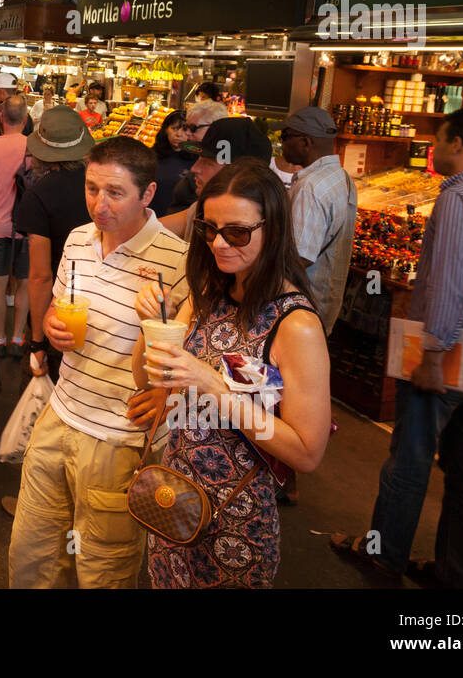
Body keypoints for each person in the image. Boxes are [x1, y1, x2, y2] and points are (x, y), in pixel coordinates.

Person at [331, 107, 463, 588]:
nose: (433, 148)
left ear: (456, 142)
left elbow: (447, 282)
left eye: (437, 139)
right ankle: (459, 575)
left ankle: (384, 557)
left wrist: (433, 354)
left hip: (451, 351)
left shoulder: (458, 200)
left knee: (410, 459)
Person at [134, 158, 332, 588]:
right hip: (173, 501)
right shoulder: (209, 292)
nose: (219, 243)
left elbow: (306, 452)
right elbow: (149, 383)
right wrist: (149, 325)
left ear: (272, 228)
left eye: (237, 232)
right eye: (210, 229)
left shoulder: (295, 325)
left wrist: (214, 387)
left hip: (236, 518)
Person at [8, 137, 190, 588]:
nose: (99, 204)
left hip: (118, 438)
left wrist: (167, 397)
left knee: (103, 570)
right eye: (92, 189)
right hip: (61, 414)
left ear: (147, 194)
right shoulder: (78, 239)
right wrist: (50, 327)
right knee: (32, 553)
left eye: (115, 192)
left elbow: (187, 360)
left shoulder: (178, 262)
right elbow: (57, 306)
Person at [16, 106, 94, 385]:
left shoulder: (38, 196)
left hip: (61, 313)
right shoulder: (100, 186)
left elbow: (40, 276)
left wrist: (37, 343)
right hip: (104, 304)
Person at [276, 106, 357, 335]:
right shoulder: (341, 177)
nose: (282, 143)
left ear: (305, 142)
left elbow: (298, 258)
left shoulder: (311, 187)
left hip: (298, 309)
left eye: (285, 137)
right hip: (321, 304)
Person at [161, 116, 272, 239]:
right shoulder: (200, 209)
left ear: (240, 173)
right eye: (199, 159)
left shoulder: (259, 230)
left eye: (209, 162)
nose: (194, 169)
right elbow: (153, 230)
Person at [0, 96, 32, 356]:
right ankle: (17, 338)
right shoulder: (34, 149)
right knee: (24, 284)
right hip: (26, 228)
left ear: (1, 118)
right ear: (25, 120)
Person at [166, 99, 229, 214]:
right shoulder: (191, 151)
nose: (187, 133)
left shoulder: (224, 159)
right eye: (186, 127)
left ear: (215, 128)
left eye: (194, 128)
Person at [149, 110, 192, 216]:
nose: (178, 134)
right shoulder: (150, 156)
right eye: (174, 128)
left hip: (181, 222)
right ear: (165, 130)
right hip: (151, 219)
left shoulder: (197, 161)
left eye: (184, 129)